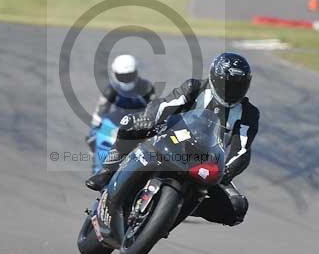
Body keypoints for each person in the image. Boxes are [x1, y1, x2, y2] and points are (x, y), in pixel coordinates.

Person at [85, 52, 259, 227]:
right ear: (214, 77)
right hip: (174, 136)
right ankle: (107, 171)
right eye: (227, 84)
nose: (232, 91)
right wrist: (149, 118)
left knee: (237, 208)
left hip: (209, 161)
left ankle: (178, 208)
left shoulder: (249, 113)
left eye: (238, 86)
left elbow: (242, 149)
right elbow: (165, 105)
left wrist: (227, 171)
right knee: (129, 123)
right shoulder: (195, 87)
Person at [85, 54, 155, 154]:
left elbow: (154, 108)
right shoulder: (111, 91)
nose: (126, 80)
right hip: (117, 125)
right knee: (100, 150)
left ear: (136, 73)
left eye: (129, 76)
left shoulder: (146, 87)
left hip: (141, 124)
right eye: (122, 76)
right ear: (114, 74)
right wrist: (93, 134)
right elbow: (99, 114)